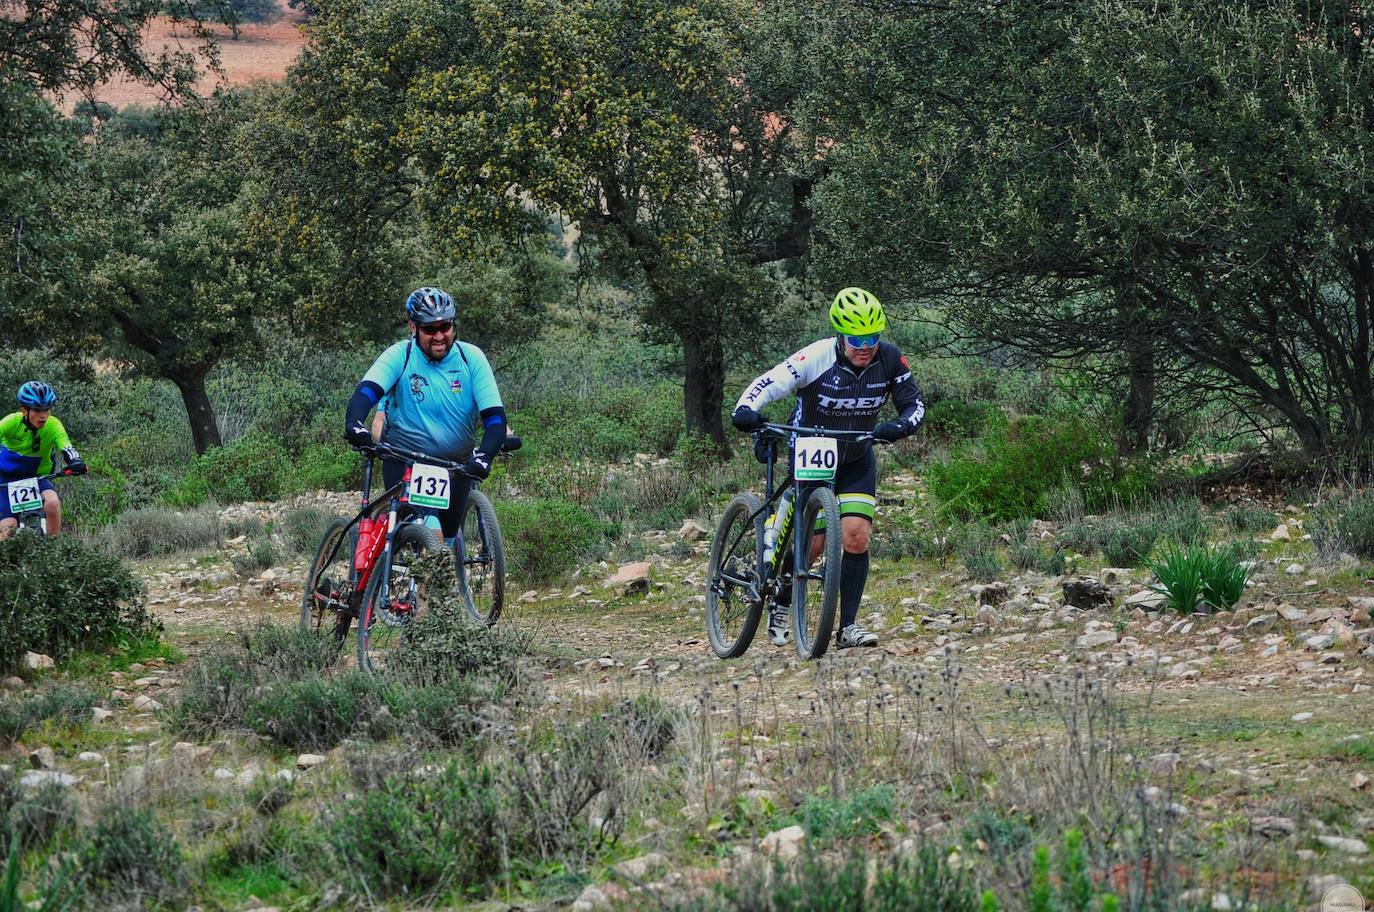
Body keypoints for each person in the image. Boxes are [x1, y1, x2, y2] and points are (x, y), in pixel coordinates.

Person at [730, 288, 925, 649]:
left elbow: (914, 406)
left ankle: (847, 627)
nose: (865, 346)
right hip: (812, 447)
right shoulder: (817, 356)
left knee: (856, 535)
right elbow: (770, 383)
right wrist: (745, 410)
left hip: (855, 454)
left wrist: (899, 427)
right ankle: (784, 597)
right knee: (814, 544)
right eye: (856, 339)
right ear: (840, 335)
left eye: (872, 337)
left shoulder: (891, 359)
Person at [343, 287, 507, 541]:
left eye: (445, 327)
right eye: (430, 329)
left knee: (449, 541)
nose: (439, 335)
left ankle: (435, 577)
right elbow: (367, 392)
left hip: (456, 466)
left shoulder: (471, 358)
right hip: (405, 461)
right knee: (431, 533)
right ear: (413, 327)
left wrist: (485, 456)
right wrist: (354, 422)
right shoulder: (401, 355)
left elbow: (494, 418)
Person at [0, 381, 87, 540]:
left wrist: (76, 462)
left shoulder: (53, 424)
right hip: (6, 480)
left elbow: (66, 446)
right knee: (7, 534)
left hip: (37, 477)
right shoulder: (11, 422)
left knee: (52, 504)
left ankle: (52, 552)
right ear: (24, 410)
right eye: (38, 409)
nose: (44, 415)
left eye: (47, 409)